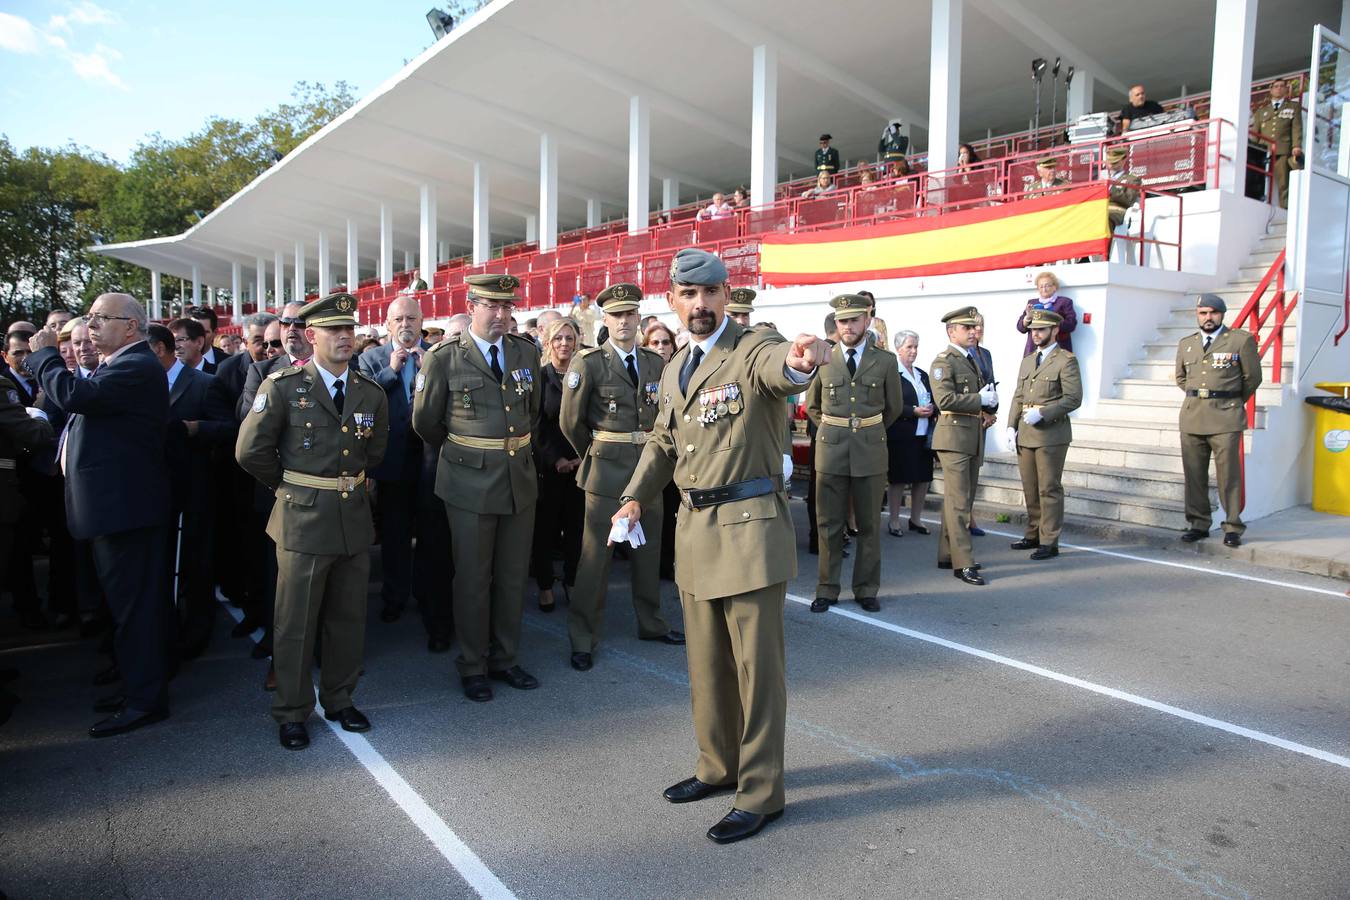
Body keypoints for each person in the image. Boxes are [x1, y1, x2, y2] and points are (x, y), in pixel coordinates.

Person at [611, 247, 831, 845]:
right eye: (689, 295)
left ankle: (761, 793)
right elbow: (661, 440)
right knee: (706, 667)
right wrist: (633, 497)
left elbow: (781, 367)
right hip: (695, 532)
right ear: (673, 300)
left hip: (750, 529)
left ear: (726, 293)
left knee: (757, 673)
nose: (701, 305)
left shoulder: (751, 346)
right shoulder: (677, 363)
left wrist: (803, 362)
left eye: (711, 293)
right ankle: (718, 767)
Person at [235, 291, 389, 751]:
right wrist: (291, 487)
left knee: (347, 617)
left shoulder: (369, 392)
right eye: (334, 330)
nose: (345, 337)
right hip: (302, 519)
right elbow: (250, 452)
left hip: (352, 519)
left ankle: (341, 699)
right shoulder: (283, 386)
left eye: (350, 329)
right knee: (295, 621)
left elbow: (374, 453)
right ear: (311, 335)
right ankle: (292, 708)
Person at [26, 293, 173, 737]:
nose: (90, 327)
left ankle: (146, 700)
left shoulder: (136, 365)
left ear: (130, 327)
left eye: (99, 319)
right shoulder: (121, 364)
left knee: (135, 611)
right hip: (116, 508)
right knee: (126, 608)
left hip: (126, 510)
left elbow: (74, 395)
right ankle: (137, 689)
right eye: (88, 318)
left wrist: (46, 355)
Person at [413, 274, 543, 703]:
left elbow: (534, 411)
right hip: (468, 481)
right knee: (472, 578)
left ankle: (505, 658)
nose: (502, 315)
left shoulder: (525, 350)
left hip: (517, 478)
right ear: (472, 306)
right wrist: (470, 452)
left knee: (511, 577)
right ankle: (472, 664)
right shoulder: (445, 357)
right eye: (493, 306)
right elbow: (425, 423)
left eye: (508, 307)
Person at [560, 284, 682, 672]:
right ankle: (583, 636)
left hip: (648, 468)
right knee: (596, 558)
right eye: (616, 315)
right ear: (605, 320)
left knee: (648, 554)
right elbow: (571, 423)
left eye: (630, 314)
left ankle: (651, 622)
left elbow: (664, 417)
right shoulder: (589, 363)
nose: (624, 322)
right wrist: (594, 454)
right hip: (606, 472)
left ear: (638, 318)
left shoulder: (654, 363)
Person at [359, 295, 452, 649]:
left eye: (412, 318)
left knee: (431, 533)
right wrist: (391, 371)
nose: (405, 325)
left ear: (422, 321)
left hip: (430, 460)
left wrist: (429, 367)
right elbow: (364, 399)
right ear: (387, 324)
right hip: (392, 460)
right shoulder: (371, 359)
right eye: (399, 319)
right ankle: (394, 597)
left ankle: (429, 596)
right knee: (396, 534)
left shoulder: (437, 355)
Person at [805, 294, 902, 614]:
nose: (847, 326)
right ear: (836, 323)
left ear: (867, 321)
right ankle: (827, 587)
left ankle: (866, 588)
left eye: (854, 320)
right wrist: (837, 429)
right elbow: (814, 407)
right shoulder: (823, 357)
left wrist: (865, 429)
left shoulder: (885, 361)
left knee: (869, 525)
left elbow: (893, 409)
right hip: (832, 451)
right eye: (842, 321)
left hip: (870, 451)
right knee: (828, 524)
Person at [149, 324, 235, 658]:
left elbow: (229, 428)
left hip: (193, 491)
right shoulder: (140, 385)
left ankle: (196, 633)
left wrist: (198, 429)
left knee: (195, 565)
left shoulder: (204, 384)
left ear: (158, 349)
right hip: (153, 491)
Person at [1175, 293, 1261, 547]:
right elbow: (1181, 378)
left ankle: (1232, 525)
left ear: (1222, 314)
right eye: (1203, 313)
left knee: (1228, 475)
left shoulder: (1239, 340)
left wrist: (1230, 400)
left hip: (1225, 416)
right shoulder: (1186, 344)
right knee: (1194, 474)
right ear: (1197, 315)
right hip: (1192, 416)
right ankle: (1199, 523)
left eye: (1213, 312)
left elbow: (1252, 378)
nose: (1208, 318)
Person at [1004, 309, 1082, 560]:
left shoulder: (1065, 360)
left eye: (1041, 329)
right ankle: (1033, 532)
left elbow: (1073, 398)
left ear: (1055, 330)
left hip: (1051, 432)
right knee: (1030, 487)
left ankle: (1049, 540)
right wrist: (1010, 425)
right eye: (1033, 330)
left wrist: (1045, 413)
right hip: (1026, 431)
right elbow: (1018, 394)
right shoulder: (1028, 360)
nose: (1035, 334)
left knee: (1048, 487)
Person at [930, 306, 997, 586]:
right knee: (959, 503)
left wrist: (987, 406)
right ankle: (964, 562)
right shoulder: (944, 361)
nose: (973, 332)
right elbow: (944, 400)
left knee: (961, 500)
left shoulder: (971, 358)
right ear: (951, 331)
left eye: (974, 327)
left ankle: (948, 554)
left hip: (971, 435)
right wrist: (979, 401)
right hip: (954, 437)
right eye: (966, 328)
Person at [529, 316, 584, 614]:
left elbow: (591, 418)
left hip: (580, 464)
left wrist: (580, 456)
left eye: (569, 338)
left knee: (576, 528)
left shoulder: (584, 372)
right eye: (558, 338)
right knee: (545, 530)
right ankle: (546, 585)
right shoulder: (540, 377)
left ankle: (572, 580)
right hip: (548, 467)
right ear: (548, 343)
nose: (564, 343)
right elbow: (536, 424)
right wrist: (556, 459)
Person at [885, 330, 936, 537]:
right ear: (898, 349)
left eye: (915, 347)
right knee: (898, 478)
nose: (913, 351)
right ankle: (894, 520)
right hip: (902, 432)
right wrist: (911, 411)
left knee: (923, 478)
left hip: (923, 433)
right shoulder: (893, 374)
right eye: (909, 347)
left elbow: (932, 397)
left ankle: (916, 518)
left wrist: (933, 409)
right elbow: (888, 404)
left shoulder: (922, 374)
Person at [640, 320, 680, 579]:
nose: (661, 347)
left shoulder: (682, 371)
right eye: (655, 342)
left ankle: (670, 563)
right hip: (652, 453)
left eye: (666, 342)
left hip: (680, 455)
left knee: (675, 513)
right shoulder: (641, 373)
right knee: (653, 514)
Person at [1250, 79, 1305, 209]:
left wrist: (1296, 145)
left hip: (1283, 149)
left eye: (1282, 86)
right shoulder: (1261, 111)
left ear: (1286, 89)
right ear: (1271, 90)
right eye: (1276, 86)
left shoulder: (1293, 107)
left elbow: (1297, 127)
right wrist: (1253, 151)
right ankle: (1259, 205)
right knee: (1260, 180)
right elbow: (1255, 133)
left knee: (1283, 182)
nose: (1279, 88)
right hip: (1265, 151)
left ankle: (1285, 208)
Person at [968, 315, 996, 537]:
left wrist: (991, 412)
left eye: (980, 326)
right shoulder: (960, 354)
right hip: (967, 417)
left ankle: (969, 512)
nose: (977, 330)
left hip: (983, 419)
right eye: (972, 326)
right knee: (964, 471)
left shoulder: (984, 354)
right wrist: (980, 410)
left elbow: (991, 383)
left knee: (975, 469)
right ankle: (964, 517)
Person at [1016, 271, 1078, 355]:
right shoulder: (1032, 303)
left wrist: (1051, 318)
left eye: (1047, 286)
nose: (1044, 289)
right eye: (1041, 286)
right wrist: (1027, 319)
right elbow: (1020, 328)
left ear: (1055, 287)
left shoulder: (1064, 302)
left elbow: (1071, 325)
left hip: (1057, 349)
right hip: (1034, 350)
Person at [1104, 147, 1142, 232]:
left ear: (1124, 160)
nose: (1111, 164)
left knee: (1105, 217)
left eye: (1115, 162)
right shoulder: (1102, 180)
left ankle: (1105, 245)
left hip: (1118, 210)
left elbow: (1129, 199)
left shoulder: (1132, 179)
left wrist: (1109, 190)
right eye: (1110, 162)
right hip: (1101, 208)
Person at [187, 307, 224, 372]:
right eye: (193, 332)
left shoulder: (228, 363)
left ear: (215, 332)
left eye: (204, 332)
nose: (198, 337)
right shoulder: (174, 363)